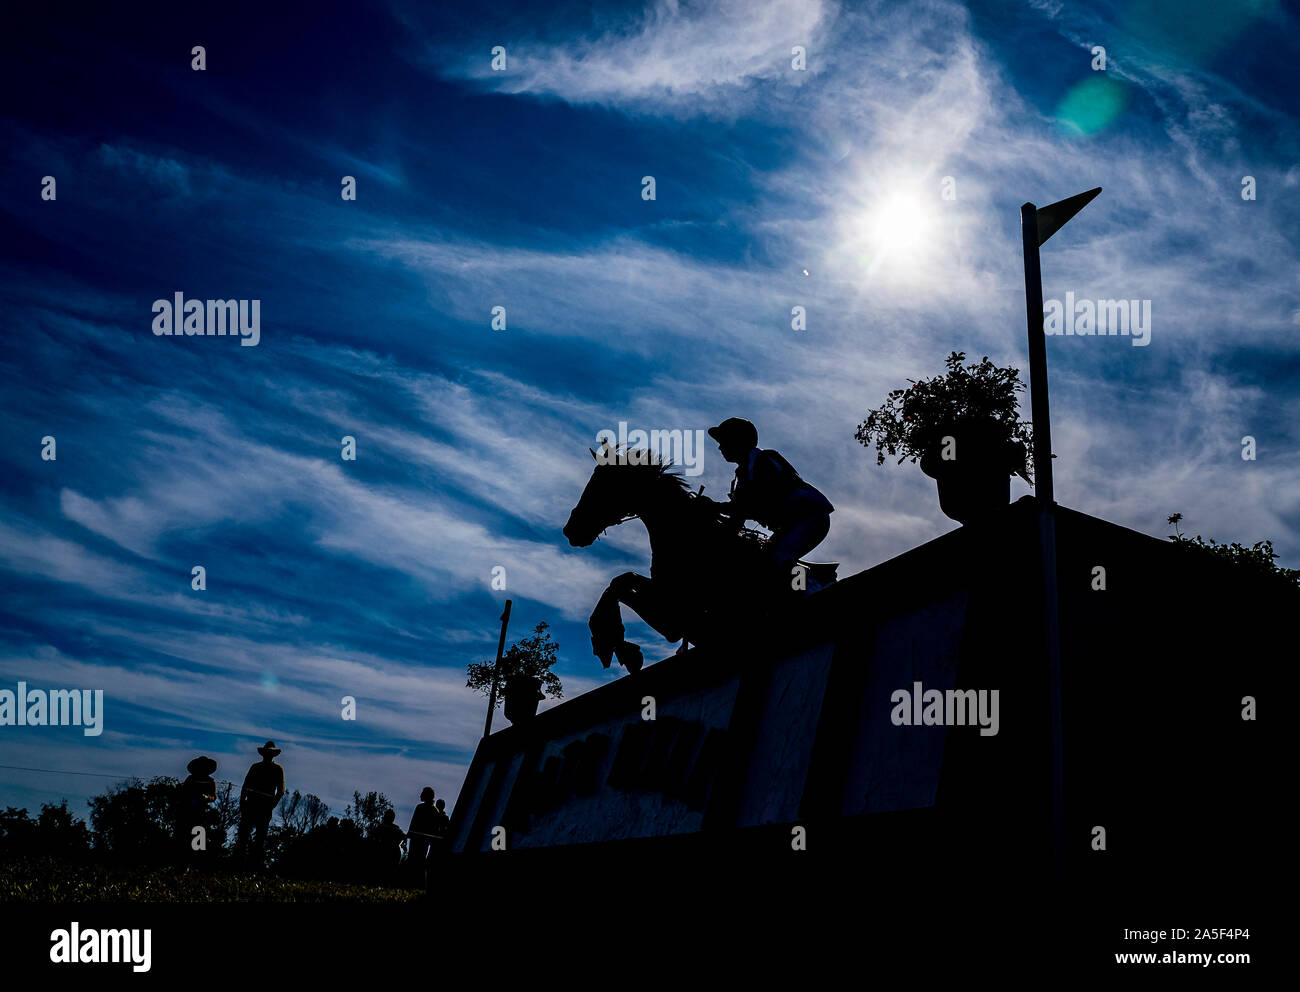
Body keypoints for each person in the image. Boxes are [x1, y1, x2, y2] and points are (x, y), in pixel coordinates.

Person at [707, 418, 833, 578]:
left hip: (809, 517)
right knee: (761, 559)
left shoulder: (763, 460)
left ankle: (811, 590)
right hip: (792, 523)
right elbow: (740, 513)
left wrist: (716, 507)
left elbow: (745, 506)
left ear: (738, 441)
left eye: (724, 441)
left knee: (777, 560)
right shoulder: (744, 472)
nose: (720, 447)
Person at [236, 740, 286, 868]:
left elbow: (281, 791)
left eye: (270, 753)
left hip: (265, 804)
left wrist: (272, 804)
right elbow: (245, 785)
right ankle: (239, 863)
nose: (268, 755)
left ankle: (255, 865)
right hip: (252, 802)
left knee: (260, 837)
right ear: (263, 754)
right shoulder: (255, 767)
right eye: (267, 753)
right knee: (243, 835)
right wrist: (243, 802)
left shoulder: (278, 769)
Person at [178, 755, 217, 867]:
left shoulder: (210, 781)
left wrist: (206, 798)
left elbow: (214, 796)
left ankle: (197, 863)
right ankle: (184, 863)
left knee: (199, 838)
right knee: (186, 837)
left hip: (202, 813)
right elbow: (183, 793)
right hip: (188, 812)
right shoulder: (191, 779)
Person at [406, 787, 439, 886]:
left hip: (418, 840)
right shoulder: (435, 811)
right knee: (419, 863)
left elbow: (413, 824)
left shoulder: (420, 808)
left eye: (422, 793)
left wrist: (409, 835)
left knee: (415, 863)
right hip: (424, 841)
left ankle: (413, 885)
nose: (420, 795)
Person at [371, 808, 406, 884]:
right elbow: (404, 836)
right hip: (390, 851)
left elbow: (374, 837)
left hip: (386, 851)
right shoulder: (395, 829)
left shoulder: (381, 827)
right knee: (389, 872)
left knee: (384, 872)